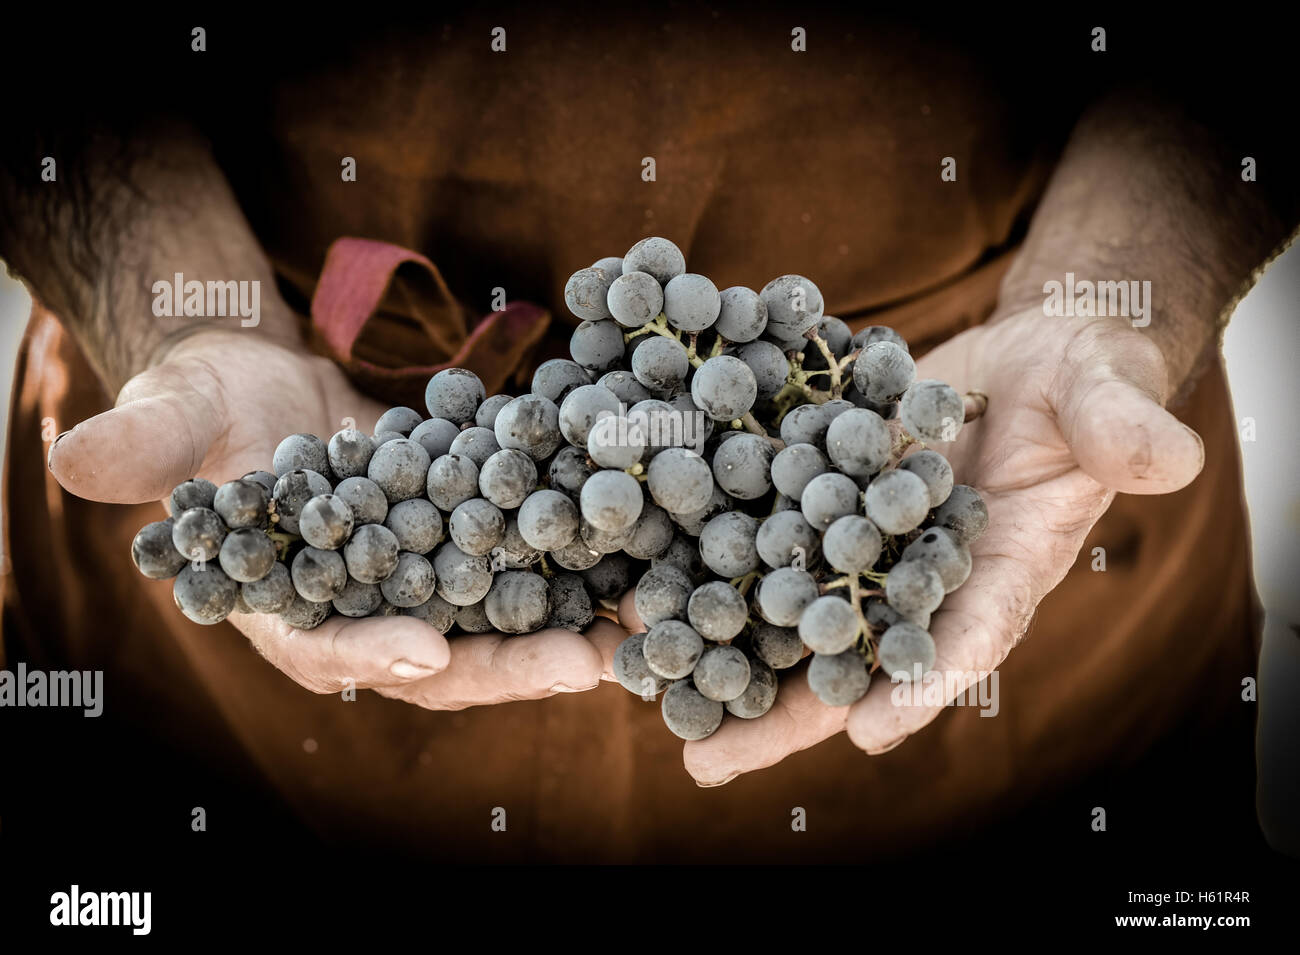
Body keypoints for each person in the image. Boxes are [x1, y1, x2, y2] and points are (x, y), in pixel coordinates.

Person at [1, 10, 1295, 862]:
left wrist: (1105, 291)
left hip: (971, 425)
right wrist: (177, 309)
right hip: (265, 396)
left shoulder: (871, 450)